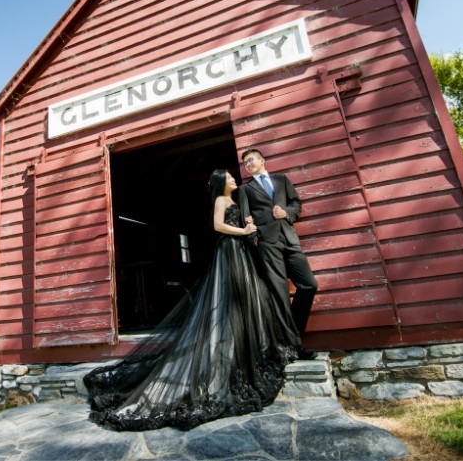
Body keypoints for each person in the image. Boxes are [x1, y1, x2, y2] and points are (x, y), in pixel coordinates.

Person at [83, 169, 301, 431]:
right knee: (225, 298)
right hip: (229, 250)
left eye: (233, 177)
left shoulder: (236, 199)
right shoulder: (221, 200)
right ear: (220, 183)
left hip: (241, 250)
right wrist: (244, 231)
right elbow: (218, 226)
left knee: (246, 296)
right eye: (229, 178)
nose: (234, 179)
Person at [237, 148, 319, 361]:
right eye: (245, 163)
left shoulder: (282, 179)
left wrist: (287, 213)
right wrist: (254, 241)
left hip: (290, 239)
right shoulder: (246, 189)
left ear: (262, 160)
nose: (248, 164)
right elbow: (245, 218)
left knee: (309, 285)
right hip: (267, 243)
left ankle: (289, 328)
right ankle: (295, 346)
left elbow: (296, 204)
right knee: (280, 292)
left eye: (251, 160)